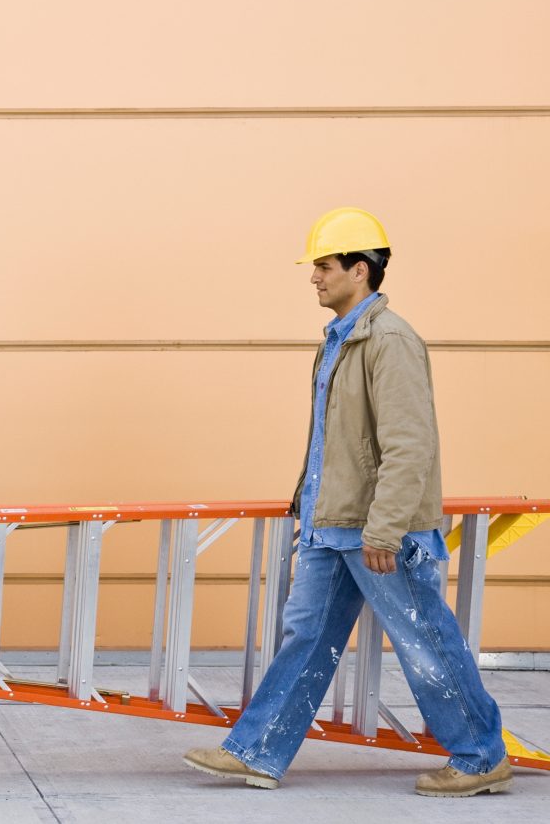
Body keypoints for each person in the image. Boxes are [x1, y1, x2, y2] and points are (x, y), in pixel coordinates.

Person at [183, 208, 511, 797]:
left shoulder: (389, 340)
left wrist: (385, 531)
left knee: (425, 640)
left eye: (324, 265)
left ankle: (481, 755)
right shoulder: (341, 339)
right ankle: (259, 751)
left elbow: (409, 445)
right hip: (330, 527)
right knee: (304, 638)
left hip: (378, 533)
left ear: (360, 270)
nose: (314, 277)